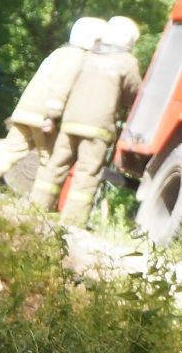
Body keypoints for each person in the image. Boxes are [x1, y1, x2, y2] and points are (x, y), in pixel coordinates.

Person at [30, 15, 141, 223]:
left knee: (55, 166)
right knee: (86, 174)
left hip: (70, 123)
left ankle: (35, 209)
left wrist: (53, 115)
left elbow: (67, 85)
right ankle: (71, 222)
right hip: (97, 128)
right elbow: (134, 95)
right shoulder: (127, 62)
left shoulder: (88, 55)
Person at [0, 18, 104, 190]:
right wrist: (52, 116)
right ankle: (37, 206)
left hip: (27, 111)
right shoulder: (77, 57)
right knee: (50, 162)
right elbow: (61, 87)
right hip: (43, 117)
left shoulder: (60, 52)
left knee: (7, 151)